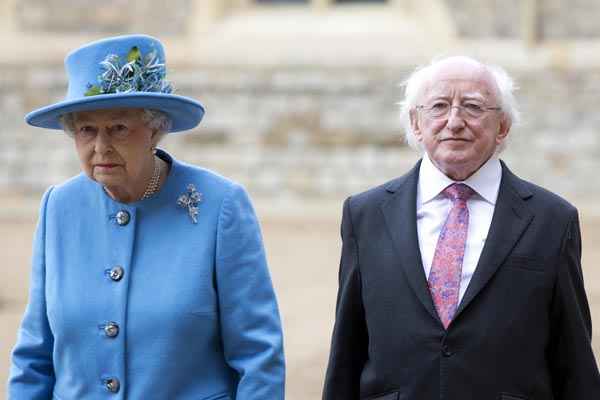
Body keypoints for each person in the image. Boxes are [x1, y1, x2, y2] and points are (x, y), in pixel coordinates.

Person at [8, 34, 285, 399]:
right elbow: (33, 359)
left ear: (155, 129)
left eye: (118, 128)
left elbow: (259, 358)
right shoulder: (59, 207)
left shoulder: (220, 205)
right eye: (86, 130)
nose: (101, 146)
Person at [322, 56, 600, 399]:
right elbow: (347, 351)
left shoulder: (552, 220)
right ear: (416, 122)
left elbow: (573, 361)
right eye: (439, 106)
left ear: (503, 126)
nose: (454, 121)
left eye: (472, 107)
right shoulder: (364, 215)